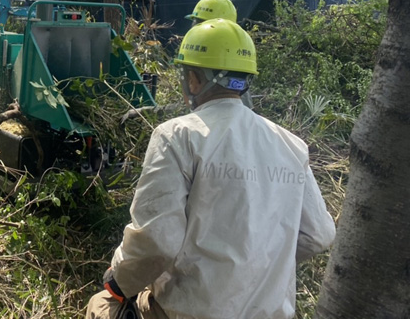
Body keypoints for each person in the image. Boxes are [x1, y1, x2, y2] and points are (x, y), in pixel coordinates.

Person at [86, 19, 336, 319]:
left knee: (100, 306)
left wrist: (118, 282)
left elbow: (156, 240)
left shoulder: (177, 136)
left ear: (194, 80)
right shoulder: (292, 145)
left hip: (189, 312)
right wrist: (256, 262)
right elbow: (319, 235)